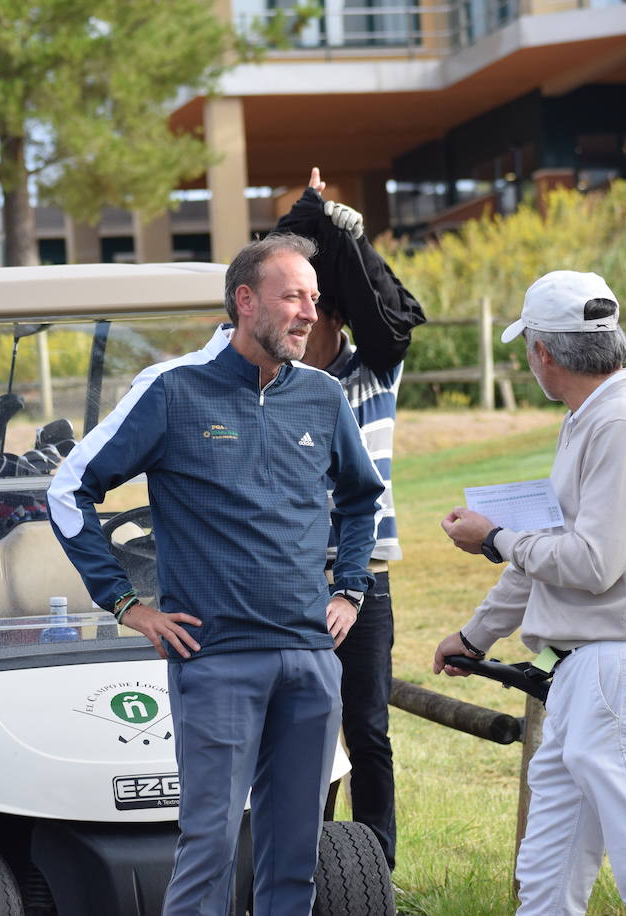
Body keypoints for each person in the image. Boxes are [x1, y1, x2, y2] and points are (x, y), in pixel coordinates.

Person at [49, 234, 385, 915]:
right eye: (293, 297)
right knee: (209, 849)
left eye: (314, 300)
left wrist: (349, 588)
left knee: (295, 855)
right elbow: (69, 489)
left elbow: (361, 497)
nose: (308, 314)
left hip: (309, 659)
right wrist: (125, 604)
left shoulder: (322, 397)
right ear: (245, 300)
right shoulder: (174, 392)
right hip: (216, 658)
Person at [431, 271, 626, 916]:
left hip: (620, 671)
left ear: (543, 353)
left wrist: (495, 536)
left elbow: (591, 564)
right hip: (592, 675)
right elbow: (545, 556)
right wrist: (475, 635)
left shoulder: (624, 426)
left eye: (527, 348)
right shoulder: (593, 418)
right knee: (547, 871)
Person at [274, 166, 425, 872]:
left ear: (337, 316)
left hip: (365, 579)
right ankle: (299, 863)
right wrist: (306, 216)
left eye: (314, 312)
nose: (300, 326)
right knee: (297, 728)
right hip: (290, 580)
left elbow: (386, 308)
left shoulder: (374, 375)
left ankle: (374, 870)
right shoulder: (275, 388)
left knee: (367, 730)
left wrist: (339, 229)